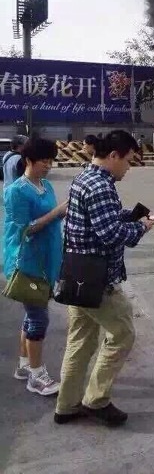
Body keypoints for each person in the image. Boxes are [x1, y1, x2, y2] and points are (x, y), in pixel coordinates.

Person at [54, 130, 154, 427]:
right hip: (97, 283)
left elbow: (101, 220)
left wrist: (128, 216)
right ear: (113, 156)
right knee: (123, 335)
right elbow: (111, 235)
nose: (128, 167)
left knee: (80, 341)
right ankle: (96, 400)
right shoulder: (100, 187)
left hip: (76, 278)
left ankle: (67, 405)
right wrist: (143, 228)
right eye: (127, 161)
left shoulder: (85, 177)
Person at [3, 138, 67, 395]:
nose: (48, 166)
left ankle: (24, 365)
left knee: (32, 314)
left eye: (51, 161)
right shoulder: (16, 191)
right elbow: (23, 229)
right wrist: (56, 213)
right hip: (28, 260)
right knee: (39, 317)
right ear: (28, 160)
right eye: (44, 161)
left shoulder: (46, 185)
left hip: (47, 257)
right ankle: (36, 376)